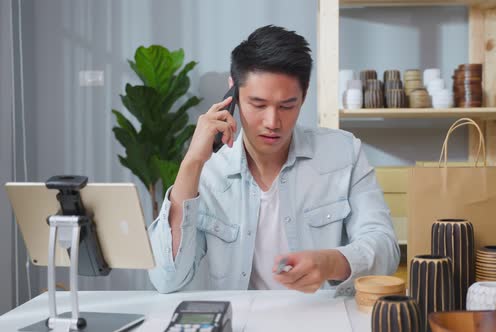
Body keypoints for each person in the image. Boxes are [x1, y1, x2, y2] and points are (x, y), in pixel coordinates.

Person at [148, 25, 399, 296]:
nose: (272, 122)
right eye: (258, 104)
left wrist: (331, 262)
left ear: (304, 95)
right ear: (232, 93)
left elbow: (385, 248)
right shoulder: (208, 169)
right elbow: (167, 279)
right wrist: (191, 163)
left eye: (287, 106)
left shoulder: (344, 152)